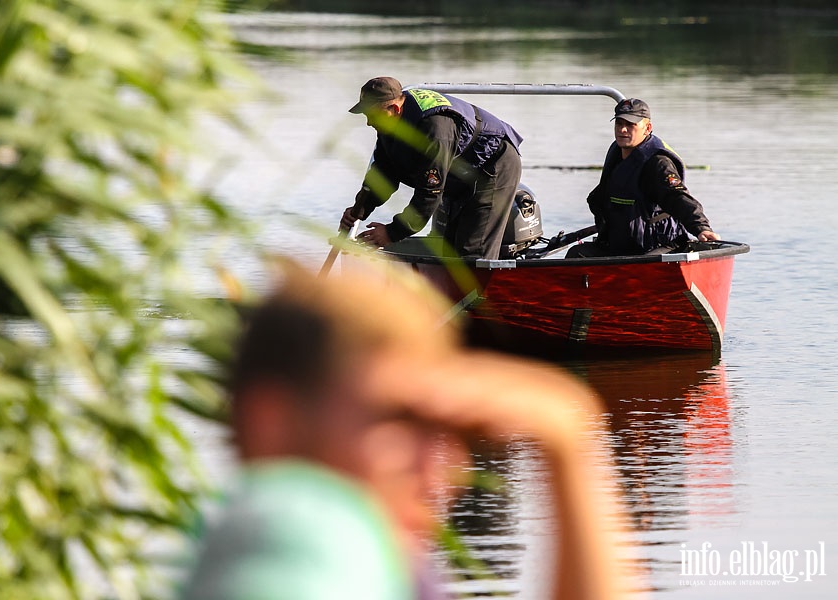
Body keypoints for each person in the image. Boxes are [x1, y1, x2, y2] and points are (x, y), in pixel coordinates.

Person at [179, 260, 635, 600]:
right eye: (397, 418)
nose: (445, 470)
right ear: (273, 424)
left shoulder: (395, 573)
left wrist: (570, 440)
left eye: (441, 429)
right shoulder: (285, 542)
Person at [340, 77, 523, 260]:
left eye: (372, 115)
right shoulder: (390, 124)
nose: (369, 123)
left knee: (473, 251)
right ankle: (451, 287)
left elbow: (429, 192)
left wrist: (392, 232)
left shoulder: (435, 129)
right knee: (450, 252)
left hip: (494, 163)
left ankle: (482, 285)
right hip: (460, 170)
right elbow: (384, 171)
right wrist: (359, 209)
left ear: (394, 109)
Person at [568, 98, 721, 257]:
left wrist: (702, 228)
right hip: (622, 244)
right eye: (619, 124)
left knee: (644, 264)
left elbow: (678, 197)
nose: (623, 130)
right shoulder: (617, 153)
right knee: (577, 254)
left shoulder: (658, 163)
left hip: (658, 244)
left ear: (647, 128)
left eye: (630, 125)